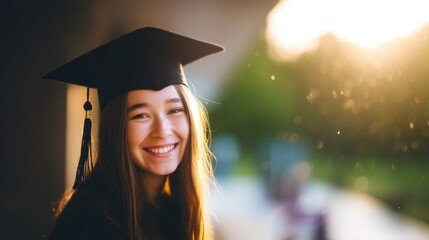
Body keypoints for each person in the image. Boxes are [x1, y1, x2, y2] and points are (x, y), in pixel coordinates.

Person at [43, 27, 224, 240]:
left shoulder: (171, 212)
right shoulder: (91, 222)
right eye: (141, 115)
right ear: (115, 128)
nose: (162, 131)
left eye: (174, 110)